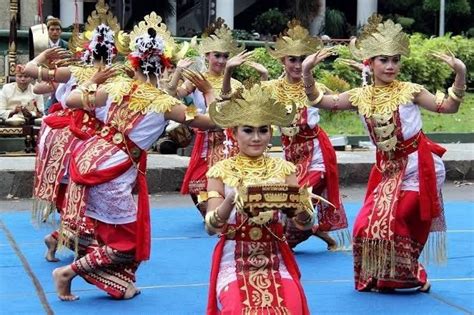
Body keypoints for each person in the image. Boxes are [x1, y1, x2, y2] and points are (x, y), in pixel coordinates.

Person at [51, 11, 214, 301]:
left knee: (112, 234)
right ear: (163, 66)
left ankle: (117, 282)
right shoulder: (165, 103)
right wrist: (209, 92)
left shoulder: (115, 88)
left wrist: (93, 83)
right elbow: (208, 121)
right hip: (111, 171)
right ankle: (67, 273)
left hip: (92, 159)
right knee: (127, 241)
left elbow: (70, 99)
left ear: (134, 62)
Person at [301, 15, 467, 292]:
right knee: (364, 226)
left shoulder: (411, 91)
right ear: (370, 62)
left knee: (397, 220)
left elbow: (448, 108)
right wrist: (307, 71)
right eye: (383, 60)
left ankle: (412, 276)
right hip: (387, 171)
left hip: (418, 166)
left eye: (395, 60)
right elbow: (321, 101)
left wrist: (460, 73)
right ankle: (381, 276)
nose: (391, 66)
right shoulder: (360, 96)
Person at [223, 20, 349, 251]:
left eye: (302, 59)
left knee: (299, 202)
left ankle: (286, 243)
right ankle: (320, 238)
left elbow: (342, 102)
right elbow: (231, 100)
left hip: (316, 155)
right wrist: (229, 71)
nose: (298, 65)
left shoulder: (314, 87)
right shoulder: (271, 88)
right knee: (288, 208)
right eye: (292, 59)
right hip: (291, 159)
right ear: (282, 60)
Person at [25, 0, 126, 262]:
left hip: (71, 136)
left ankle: (64, 238)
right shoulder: (106, 77)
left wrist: (42, 58)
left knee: (80, 197)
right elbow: (32, 77)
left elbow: (31, 75)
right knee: (85, 196)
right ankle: (79, 243)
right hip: (79, 139)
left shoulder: (79, 72)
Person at [204, 84, 313, 314]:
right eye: (248, 130)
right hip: (234, 260)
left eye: (263, 130)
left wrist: (300, 206)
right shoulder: (220, 170)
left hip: (275, 258)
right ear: (234, 132)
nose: (256, 138)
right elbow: (212, 227)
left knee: (290, 307)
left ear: (271, 133)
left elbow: (305, 224)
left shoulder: (284, 169)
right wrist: (231, 200)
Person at [169, 18, 246, 218]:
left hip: (227, 138)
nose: (220, 60)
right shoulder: (197, 79)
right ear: (207, 55)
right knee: (196, 182)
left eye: (224, 56)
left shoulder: (235, 84)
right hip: (203, 136)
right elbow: (174, 95)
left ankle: (222, 212)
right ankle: (213, 213)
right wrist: (177, 71)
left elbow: (235, 110)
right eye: (216, 56)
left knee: (225, 179)